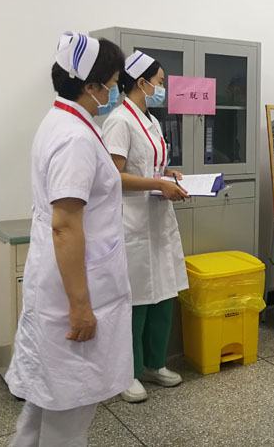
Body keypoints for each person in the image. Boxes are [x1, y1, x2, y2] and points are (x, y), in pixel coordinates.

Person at [6, 32, 133, 446]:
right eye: (111, 84)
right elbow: (64, 223)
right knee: (70, 404)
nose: (114, 92)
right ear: (90, 86)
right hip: (73, 291)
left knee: (45, 397)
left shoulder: (63, 121)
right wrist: (80, 307)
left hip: (64, 278)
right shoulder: (75, 137)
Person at [102, 51, 189, 403]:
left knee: (163, 294)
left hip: (157, 219)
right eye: (160, 82)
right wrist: (157, 184)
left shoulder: (149, 120)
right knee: (136, 299)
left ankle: (155, 364)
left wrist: (167, 174)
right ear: (141, 82)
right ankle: (128, 373)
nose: (163, 88)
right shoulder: (119, 121)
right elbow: (114, 176)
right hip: (132, 221)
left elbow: (149, 165)